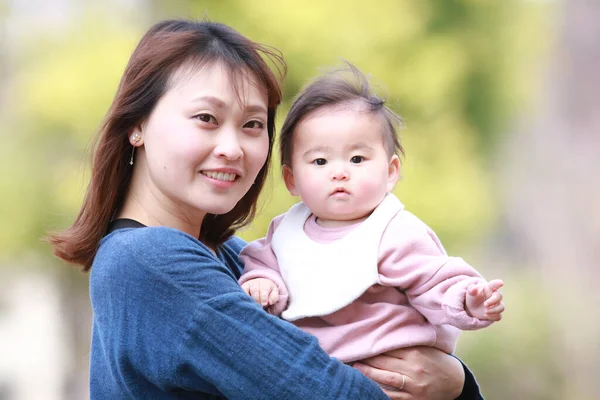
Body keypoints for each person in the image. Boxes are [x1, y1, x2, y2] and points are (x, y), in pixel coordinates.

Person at [48, 19, 483, 399]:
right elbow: (322, 389)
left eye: (253, 124)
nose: (233, 148)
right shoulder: (148, 261)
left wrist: (454, 379)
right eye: (206, 118)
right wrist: (456, 387)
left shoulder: (241, 257)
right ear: (138, 124)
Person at [239, 64, 504, 366]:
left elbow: (435, 280)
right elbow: (262, 263)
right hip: (316, 370)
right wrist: (262, 283)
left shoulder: (394, 232)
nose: (339, 172)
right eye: (320, 160)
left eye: (356, 159)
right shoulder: (286, 231)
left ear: (390, 172)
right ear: (292, 180)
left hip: (388, 364)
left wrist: (469, 300)